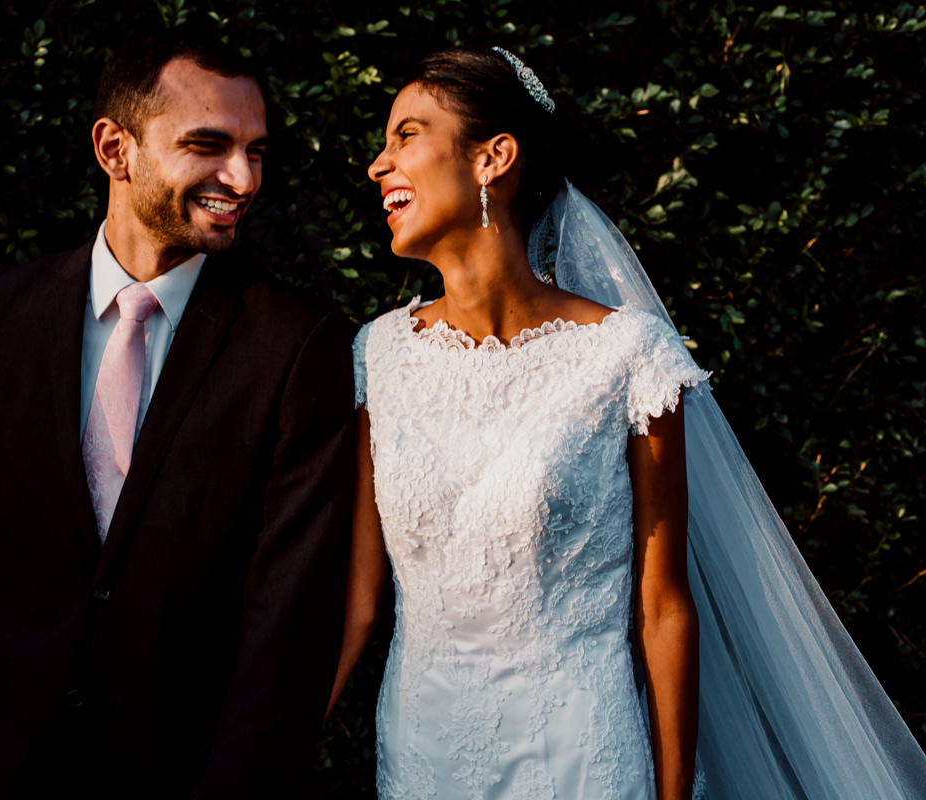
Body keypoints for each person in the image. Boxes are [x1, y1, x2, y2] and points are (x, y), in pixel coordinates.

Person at [334, 46, 926, 800]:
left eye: (406, 134)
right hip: (422, 755)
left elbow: (664, 606)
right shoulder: (376, 354)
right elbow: (357, 605)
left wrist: (673, 794)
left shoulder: (627, 356)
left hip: (581, 754)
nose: (379, 164)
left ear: (493, 157)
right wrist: (248, 759)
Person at [0, 33, 354, 799]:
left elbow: (285, 630)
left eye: (256, 151)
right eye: (209, 145)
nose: (242, 178)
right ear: (114, 148)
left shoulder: (298, 343)